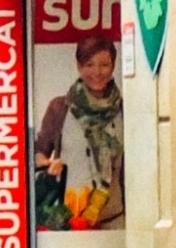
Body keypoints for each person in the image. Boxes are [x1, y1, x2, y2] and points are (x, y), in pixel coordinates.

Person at [34, 36, 125, 230]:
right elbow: (36, 153)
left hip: (114, 219)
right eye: (89, 64)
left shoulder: (125, 110)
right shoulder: (60, 107)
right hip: (69, 220)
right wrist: (47, 164)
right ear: (78, 66)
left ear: (113, 66)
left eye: (104, 64)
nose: (97, 72)